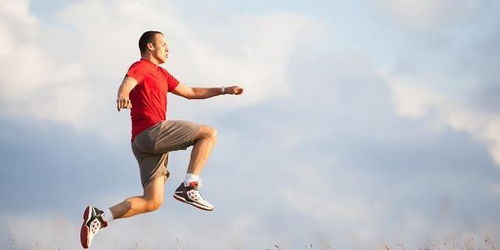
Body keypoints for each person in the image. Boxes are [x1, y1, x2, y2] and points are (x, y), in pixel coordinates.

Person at [80, 30, 243, 249]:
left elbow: (192, 92)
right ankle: (189, 185)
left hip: (141, 143)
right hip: (152, 132)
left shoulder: (163, 74)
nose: (167, 48)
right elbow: (128, 81)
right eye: (163, 44)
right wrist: (123, 94)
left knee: (152, 201)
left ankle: (100, 218)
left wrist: (224, 90)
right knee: (208, 133)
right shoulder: (142, 67)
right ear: (150, 46)